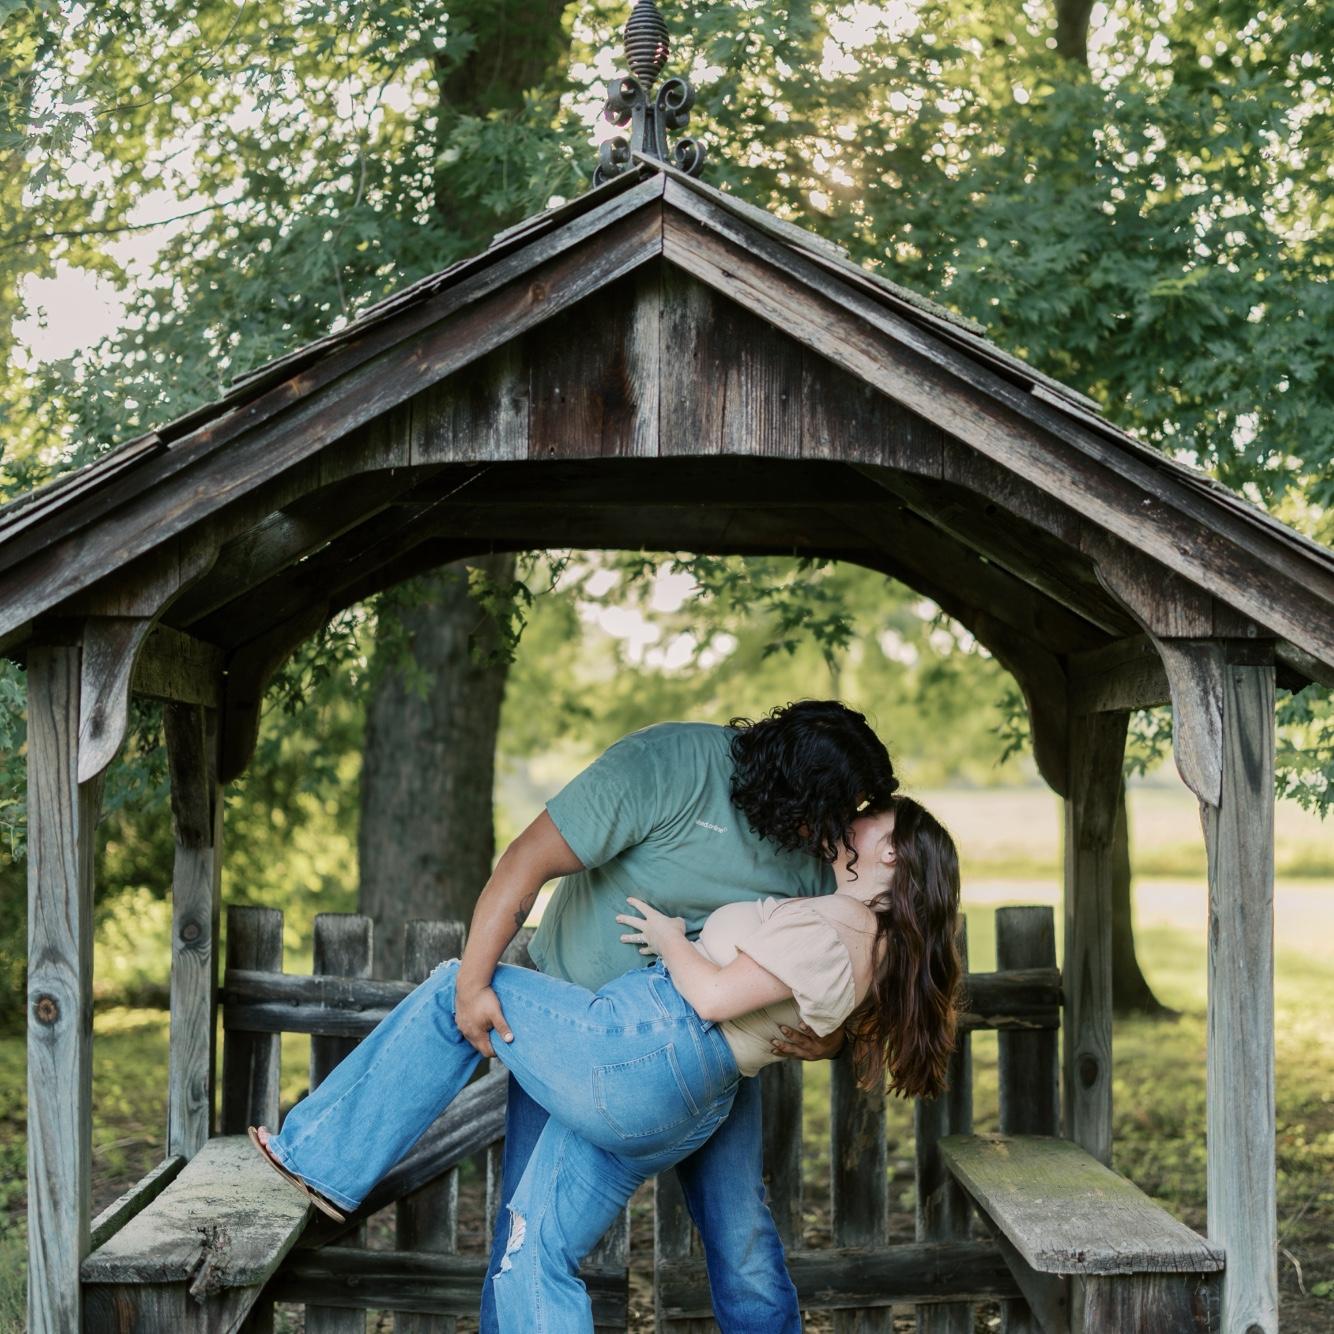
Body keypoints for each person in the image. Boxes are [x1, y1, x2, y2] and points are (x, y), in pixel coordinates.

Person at [250, 793, 963, 1332]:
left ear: (892, 853)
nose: (856, 819)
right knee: (532, 1249)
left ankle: (318, 1163)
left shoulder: (841, 935)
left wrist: (667, 935)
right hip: (680, 1093)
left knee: (456, 988)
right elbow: (799, 1008)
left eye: (872, 818)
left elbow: (713, 997)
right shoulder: (861, 935)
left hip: (643, 1047)